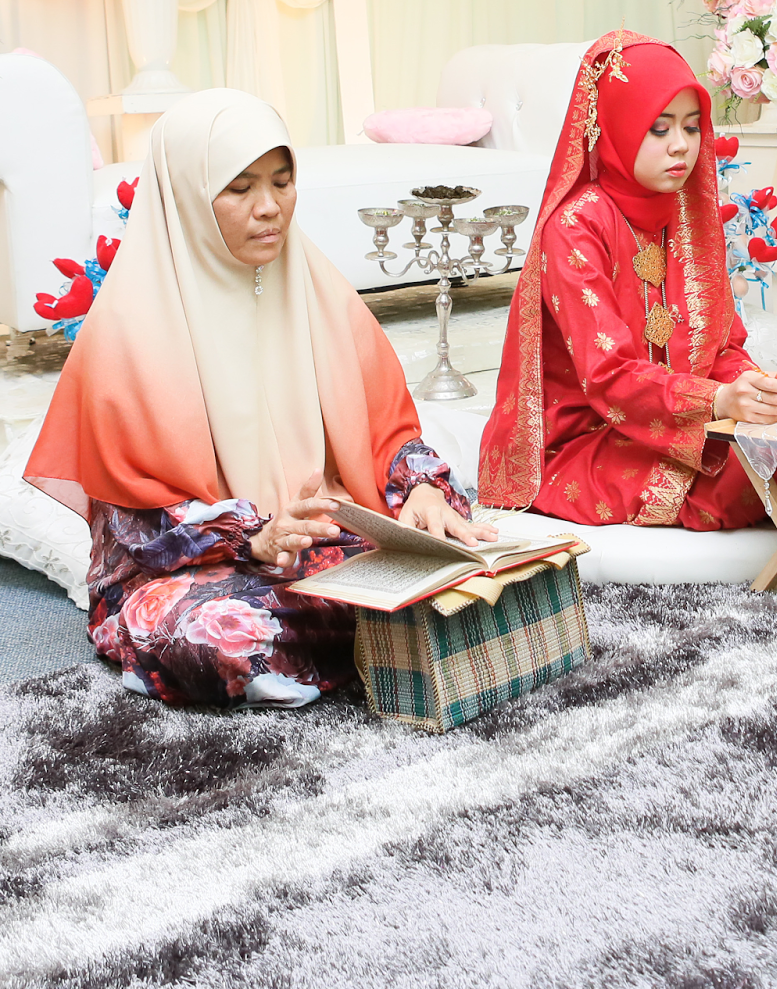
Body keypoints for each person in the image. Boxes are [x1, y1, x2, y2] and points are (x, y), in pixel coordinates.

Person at [25, 90, 495, 708]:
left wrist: (422, 488)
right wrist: (254, 536)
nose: (270, 207)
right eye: (240, 188)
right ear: (187, 198)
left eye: (282, 181)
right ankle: (385, 636)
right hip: (195, 566)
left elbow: (389, 437)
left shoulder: (320, 293)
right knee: (217, 631)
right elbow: (136, 527)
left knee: (457, 556)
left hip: (324, 540)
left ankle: (368, 630)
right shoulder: (125, 334)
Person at [478, 30, 777, 527]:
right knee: (750, 473)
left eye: (691, 126)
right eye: (658, 129)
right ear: (615, 127)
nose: (681, 146)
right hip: (585, 439)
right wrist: (717, 401)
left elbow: (721, 346)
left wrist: (752, 386)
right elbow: (608, 375)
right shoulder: (575, 226)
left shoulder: (687, 213)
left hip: (688, 421)